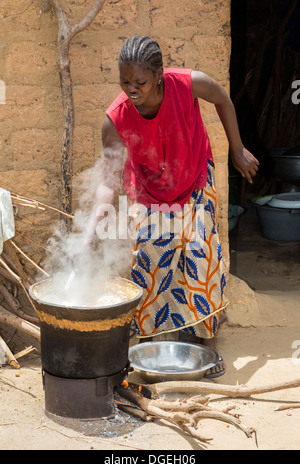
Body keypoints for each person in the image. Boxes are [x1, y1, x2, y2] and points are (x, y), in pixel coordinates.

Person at [88, 36, 259, 378]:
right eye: (125, 81)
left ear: (159, 74)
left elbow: (223, 99)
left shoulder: (188, 84)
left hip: (194, 176)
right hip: (150, 190)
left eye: (140, 82)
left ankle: (206, 341)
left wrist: (236, 148)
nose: (131, 89)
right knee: (150, 257)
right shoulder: (115, 119)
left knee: (201, 255)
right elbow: (108, 181)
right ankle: (149, 341)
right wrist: (91, 227)